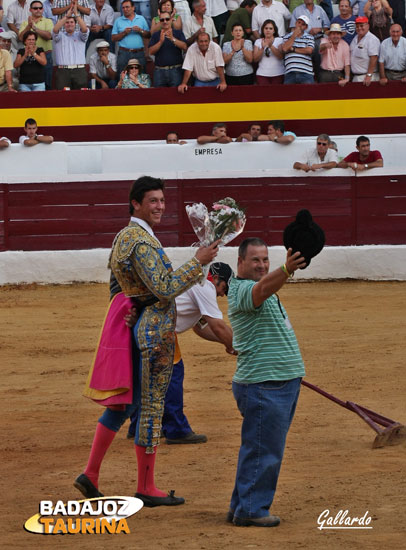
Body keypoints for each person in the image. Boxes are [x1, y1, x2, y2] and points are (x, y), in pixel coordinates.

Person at [75, 176, 219, 507]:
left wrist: (131, 307)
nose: (160, 206)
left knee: (125, 404)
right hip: (153, 333)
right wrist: (198, 262)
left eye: (162, 201)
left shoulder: (124, 237)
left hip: (137, 326)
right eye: (152, 201)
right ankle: (145, 486)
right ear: (135, 203)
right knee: (151, 406)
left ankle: (91, 474)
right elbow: (165, 288)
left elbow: (116, 283)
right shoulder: (140, 241)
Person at [226, 237, 306, 527]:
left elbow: (267, 286)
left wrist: (284, 270)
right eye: (255, 260)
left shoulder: (260, 287)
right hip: (264, 384)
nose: (261, 265)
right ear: (240, 263)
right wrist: (285, 269)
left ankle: (241, 505)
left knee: (258, 448)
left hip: (275, 381)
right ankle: (251, 509)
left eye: (265, 260)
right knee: (264, 450)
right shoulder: (244, 289)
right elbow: (261, 289)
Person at [127, 262, 235, 444]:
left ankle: (138, 425)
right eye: (225, 287)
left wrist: (226, 344)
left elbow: (201, 327)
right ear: (216, 278)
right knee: (173, 376)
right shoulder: (204, 286)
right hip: (161, 332)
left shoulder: (194, 282)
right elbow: (217, 325)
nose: (223, 294)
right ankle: (176, 429)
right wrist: (236, 344)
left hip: (147, 326)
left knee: (146, 378)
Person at [290, 0, 331, 81]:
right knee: (304, 67)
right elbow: (292, 29)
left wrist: (319, 29)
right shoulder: (297, 10)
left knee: (320, 66)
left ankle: (319, 84)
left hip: (318, 40)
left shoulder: (320, 9)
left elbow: (327, 27)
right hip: (303, 41)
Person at [18, 1, 53, 90]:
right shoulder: (25, 23)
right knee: (27, 83)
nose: (38, 10)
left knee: (47, 83)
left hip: (45, 55)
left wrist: (35, 28)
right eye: (35, 8)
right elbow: (21, 38)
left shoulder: (48, 21)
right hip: (28, 55)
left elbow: (49, 36)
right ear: (30, 10)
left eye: (40, 8)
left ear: (43, 9)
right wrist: (28, 27)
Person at [52, 6, 89, 89]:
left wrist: (76, 14)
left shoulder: (80, 36)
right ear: (64, 24)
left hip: (79, 70)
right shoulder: (60, 36)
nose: (69, 24)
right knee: (63, 98)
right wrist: (67, 16)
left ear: (75, 24)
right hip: (63, 71)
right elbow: (55, 30)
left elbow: (84, 29)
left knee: (81, 97)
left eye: (72, 22)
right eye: (67, 22)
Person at [148, 9, 187, 87]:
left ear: (171, 19)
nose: (165, 21)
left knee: (176, 98)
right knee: (159, 97)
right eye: (162, 20)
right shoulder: (156, 35)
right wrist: (160, 42)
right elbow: (150, 52)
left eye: (167, 19)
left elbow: (185, 47)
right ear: (160, 21)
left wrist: (173, 39)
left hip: (176, 70)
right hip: (159, 71)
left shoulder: (178, 33)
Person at [112, 0, 150, 75]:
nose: (125, 9)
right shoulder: (118, 20)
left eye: (127, 7)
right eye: (123, 8)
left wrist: (140, 31)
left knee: (142, 77)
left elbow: (148, 35)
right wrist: (124, 33)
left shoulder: (141, 18)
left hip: (139, 52)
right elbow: (113, 38)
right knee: (122, 77)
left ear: (133, 8)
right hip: (124, 53)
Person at [282, 15, 315, 84]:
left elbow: (309, 50)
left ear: (306, 27)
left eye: (303, 24)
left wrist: (293, 49)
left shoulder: (309, 37)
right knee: (288, 94)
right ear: (296, 23)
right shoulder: (287, 36)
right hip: (290, 72)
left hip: (306, 73)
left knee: (309, 94)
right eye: (299, 22)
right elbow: (285, 49)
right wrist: (294, 35)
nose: (300, 25)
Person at [253, 18, 284, 85]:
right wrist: (262, 48)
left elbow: (281, 56)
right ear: (263, 30)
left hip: (278, 73)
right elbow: (255, 59)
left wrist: (270, 46)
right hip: (262, 74)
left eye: (270, 28)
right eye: (266, 28)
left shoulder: (280, 40)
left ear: (274, 30)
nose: (268, 30)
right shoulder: (258, 41)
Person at [350, 16, 380, 84]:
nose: (359, 28)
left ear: (368, 26)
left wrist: (369, 75)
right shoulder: (355, 38)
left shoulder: (372, 39)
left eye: (361, 25)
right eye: (357, 26)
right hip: (356, 77)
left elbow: (374, 58)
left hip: (367, 78)